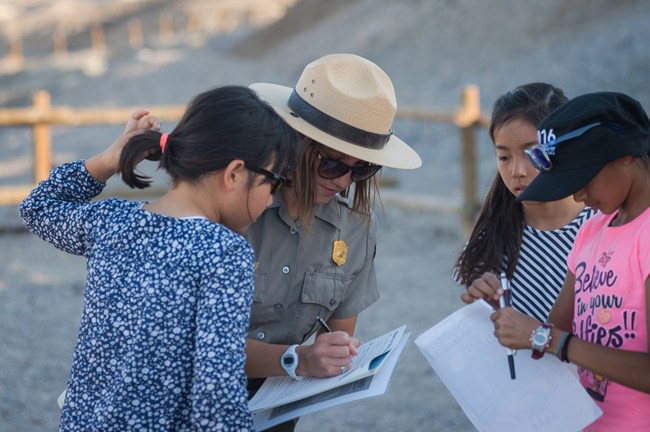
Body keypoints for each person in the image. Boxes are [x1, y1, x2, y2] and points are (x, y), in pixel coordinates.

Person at [19, 86, 299, 431]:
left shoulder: (112, 221)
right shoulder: (223, 252)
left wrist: (109, 160)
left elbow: (38, 207)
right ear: (235, 174)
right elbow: (216, 395)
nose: (271, 199)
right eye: (273, 182)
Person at [242, 53, 421, 427]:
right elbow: (191, 339)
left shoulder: (356, 228)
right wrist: (296, 358)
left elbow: (338, 339)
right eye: (332, 163)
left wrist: (333, 355)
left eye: (363, 168)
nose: (343, 181)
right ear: (295, 141)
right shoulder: (234, 208)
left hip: (276, 409)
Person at [491, 91, 650, 430]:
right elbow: (555, 328)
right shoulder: (592, 229)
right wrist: (502, 310)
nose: (577, 195)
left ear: (624, 156)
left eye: (582, 178)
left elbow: (554, 338)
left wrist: (552, 341)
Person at [454, 83, 595, 321]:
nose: (517, 171)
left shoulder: (604, 224)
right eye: (504, 157)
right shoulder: (491, 239)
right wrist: (483, 303)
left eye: (532, 153)